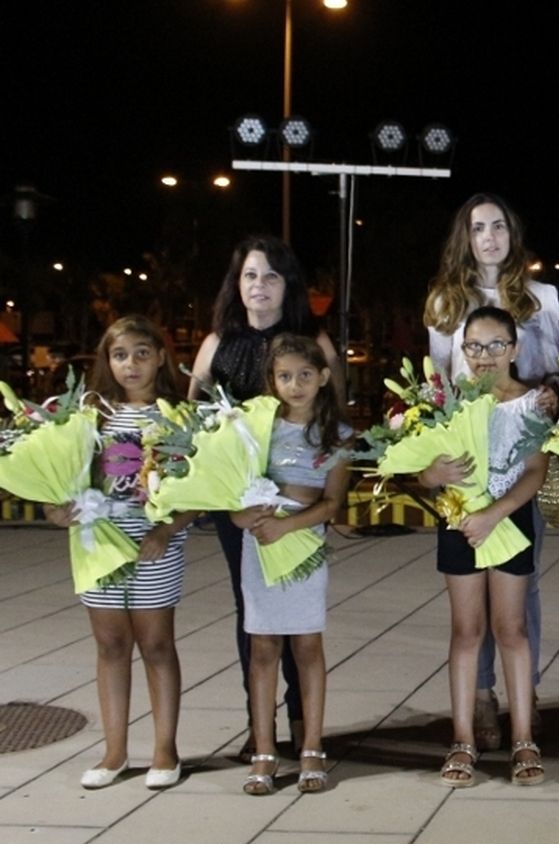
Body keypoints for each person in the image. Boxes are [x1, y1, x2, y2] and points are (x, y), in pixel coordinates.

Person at [188, 236, 344, 758]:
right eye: (251, 275)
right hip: (241, 508)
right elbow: (193, 424)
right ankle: (262, 735)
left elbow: (334, 421)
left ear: (288, 284)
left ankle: (305, 726)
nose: (260, 285)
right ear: (238, 284)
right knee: (251, 614)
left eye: (272, 276)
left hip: (300, 506)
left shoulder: (312, 340)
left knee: (301, 620)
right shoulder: (217, 342)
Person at [423, 193, 559, 753]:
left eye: (498, 226)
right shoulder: (444, 300)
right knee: (468, 606)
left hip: (521, 439)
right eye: (478, 227)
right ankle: (480, 698)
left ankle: (521, 699)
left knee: (517, 591)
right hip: (467, 452)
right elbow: (439, 377)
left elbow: (554, 365)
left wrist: (544, 401)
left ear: (512, 232)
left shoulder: (541, 295)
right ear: (466, 235)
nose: (489, 237)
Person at [50, 316, 195, 790]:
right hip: (98, 543)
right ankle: (114, 752)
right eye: (119, 355)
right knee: (111, 645)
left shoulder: (177, 413)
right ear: (105, 362)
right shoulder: (92, 417)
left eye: (140, 353)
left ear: (160, 356)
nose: (130, 365)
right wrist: (57, 506)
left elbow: (199, 489)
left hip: (154, 544)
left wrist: (168, 529)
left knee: (156, 645)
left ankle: (164, 750)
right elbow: (67, 476)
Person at [418, 307, 549, 787]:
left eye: (496, 345)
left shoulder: (531, 402)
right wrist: (430, 475)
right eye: (474, 346)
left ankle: (522, 738)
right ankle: (463, 739)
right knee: (466, 630)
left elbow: (536, 469)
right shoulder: (448, 402)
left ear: (514, 349)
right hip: (459, 522)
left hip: (508, 518)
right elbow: (423, 470)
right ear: (461, 351)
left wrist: (496, 513)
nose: (485, 356)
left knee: (511, 628)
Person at [232, 334, 352, 795]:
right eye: (285, 376)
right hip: (259, 544)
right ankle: (265, 747)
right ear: (272, 381)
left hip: (303, 547)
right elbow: (234, 491)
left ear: (323, 378)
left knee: (306, 646)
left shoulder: (337, 434)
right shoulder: (256, 429)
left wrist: (290, 526)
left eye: (305, 374)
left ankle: (312, 747)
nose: (296, 384)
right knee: (262, 647)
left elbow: (332, 505)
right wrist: (243, 517)